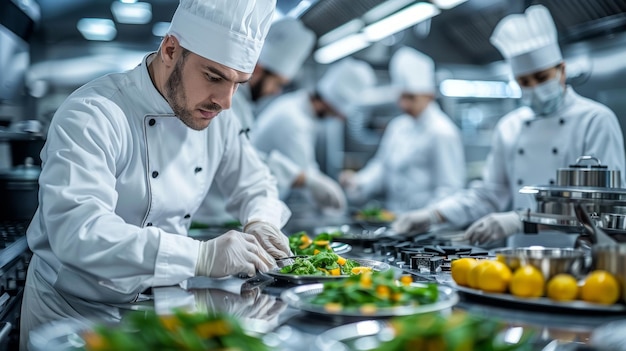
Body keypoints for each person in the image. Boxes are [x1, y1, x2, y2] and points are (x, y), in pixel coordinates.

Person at [20, 0, 291, 348]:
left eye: (239, 83)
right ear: (170, 49)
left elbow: (255, 182)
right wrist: (201, 257)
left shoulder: (219, 119)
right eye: (214, 76)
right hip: (73, 316)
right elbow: (80, 231)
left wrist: (262, 221)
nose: (225, 101)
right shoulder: (93, 115)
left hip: (164, 308)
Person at [392, 5, 626, 244]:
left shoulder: (595, 120)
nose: (534, 87)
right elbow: (487, 195)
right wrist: (434, 214)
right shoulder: (510, 127)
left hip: (582, 261)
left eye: (541, 77)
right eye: (524, 81)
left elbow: (603, 209)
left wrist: (521, 219)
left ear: (562, 71)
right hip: (519, 261)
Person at [193, 17, 342, 226]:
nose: (276, 92)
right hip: (206, 219)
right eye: (277, 83)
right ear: (259, 70)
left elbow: (245, 158)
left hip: (221, 216)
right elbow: (240, 161)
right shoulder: (227, 104)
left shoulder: (243, 106)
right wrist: (303, 178)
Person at [339, 47, 465, 213]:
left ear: (429, 95)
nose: (403, 104)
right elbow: (382, 166)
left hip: (428, 230)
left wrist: (428, 217)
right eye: (401, 97)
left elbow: (450, 188)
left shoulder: (442, 132)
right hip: (396, 221)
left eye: (411, 97)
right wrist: (359, 181)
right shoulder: (397, 127)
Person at [250, 58, 377, 214]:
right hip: (249, 201)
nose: (336, 118)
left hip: (260, 201)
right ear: (328, 104)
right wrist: (332, 203)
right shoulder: (293, 120)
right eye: (336, 113)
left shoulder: (297, 108)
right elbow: (306, 177)